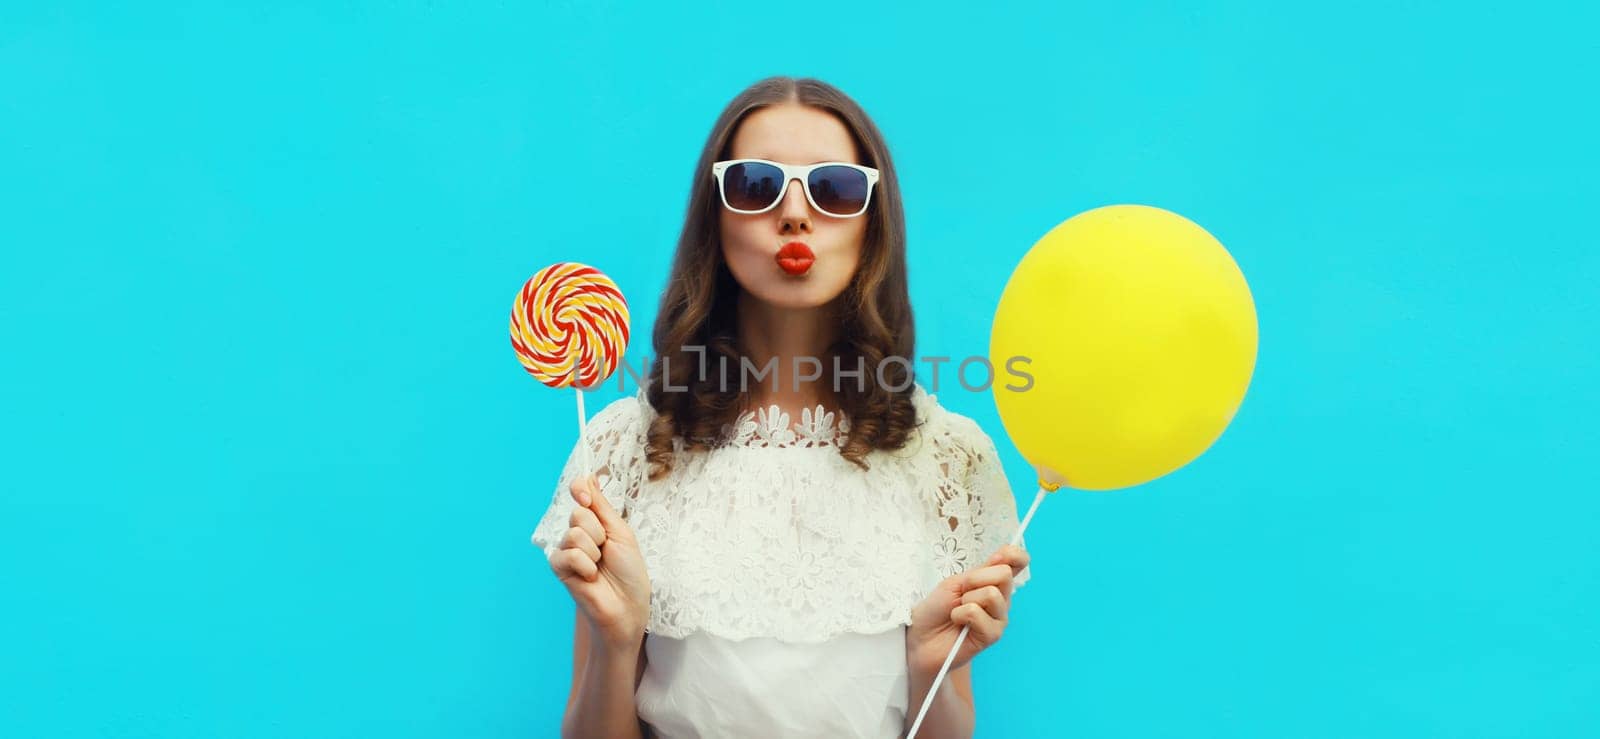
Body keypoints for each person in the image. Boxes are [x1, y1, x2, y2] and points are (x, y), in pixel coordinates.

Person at [531, 75, 1032, 739]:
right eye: (755, 184)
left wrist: (926, 665)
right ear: (715, 214)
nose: (795, 214)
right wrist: (617, 640)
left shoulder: (945, 454)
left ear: (871, 222)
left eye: (835, 188)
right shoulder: (623, 448)